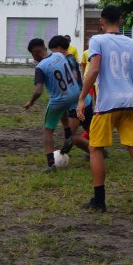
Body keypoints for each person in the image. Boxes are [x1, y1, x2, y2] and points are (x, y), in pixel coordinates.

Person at [76, 5, 133, 215]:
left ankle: (99, 200)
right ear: (121, 21)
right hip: (129, 103)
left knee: (95, 149)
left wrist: (82, 98)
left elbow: (93, 70)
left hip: (106, 104)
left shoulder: (97, 41)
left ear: (102, 22)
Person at [23, 36, 89, 172]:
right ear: (45, 48)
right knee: (63, 112)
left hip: (59, 100)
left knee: (48, 131)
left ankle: (50, 164)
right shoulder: (59, 55)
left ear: (34, 53)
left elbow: (38, 90)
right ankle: (68, 135)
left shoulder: (40, 67)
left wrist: (31, 101)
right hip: (75, 95)